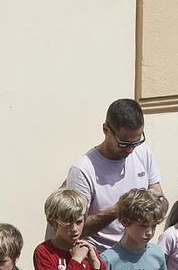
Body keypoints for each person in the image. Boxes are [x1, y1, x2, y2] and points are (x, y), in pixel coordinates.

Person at [65, 99, 164, 253]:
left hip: (140, 253)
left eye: (136, 141)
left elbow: (163, 203)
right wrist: (118, 210)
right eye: (124, 143)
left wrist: (155, 201)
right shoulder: (83, 170)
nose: (131, 149)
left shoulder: (143, 152)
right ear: (106, 130)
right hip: (102, 256)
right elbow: (75, 230)